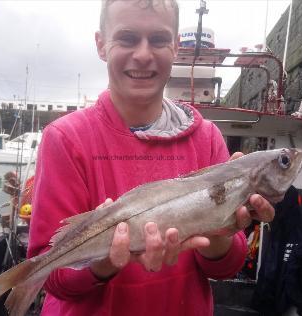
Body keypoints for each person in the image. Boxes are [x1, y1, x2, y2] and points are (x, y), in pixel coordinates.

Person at [27, 1, 275, 315]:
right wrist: (104, 260)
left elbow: (226, 267)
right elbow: (54, 279)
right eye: (127, 38)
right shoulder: (64, 138)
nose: (143, 54)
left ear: (174, 47)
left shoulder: (208, 137)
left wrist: (220, 233)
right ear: (101, 45)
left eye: (158, 40)